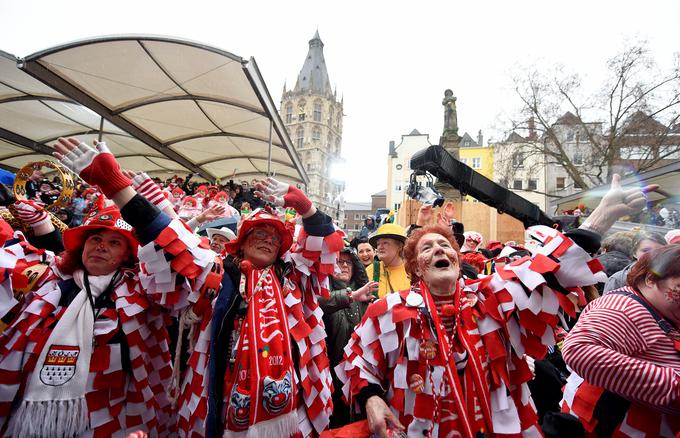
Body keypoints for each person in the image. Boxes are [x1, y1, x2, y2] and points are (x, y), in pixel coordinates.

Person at [335, 173, 653, 437]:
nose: (438, 249)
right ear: (416, 267)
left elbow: (551, 269)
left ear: (458, 262)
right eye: (427, 247)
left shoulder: (491, 297)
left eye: (445, 245)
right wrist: (372, 399)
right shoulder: (388, 310)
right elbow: (358, 362)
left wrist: (603, 215)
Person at [0, 137, 217, 436]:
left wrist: (118, 188)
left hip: (118, 424)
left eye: (114, 242)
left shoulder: (143, 289)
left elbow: (193, 263)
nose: (101, 247)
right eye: (95, 239)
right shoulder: (50, 280)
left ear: (129, 254)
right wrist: (36, 223)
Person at [176, 178, 343, 437]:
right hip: (224, 394)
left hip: (288, 403)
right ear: (241, 243)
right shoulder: (217, 271)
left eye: (275, 239)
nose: (268, 241)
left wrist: (304, 205)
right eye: (260, 234)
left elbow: (324, 243)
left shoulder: (292, 277)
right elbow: (172, 247)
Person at [561, 244, 680, 436]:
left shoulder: (662, 310)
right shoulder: (623, 306)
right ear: (651, 279)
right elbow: (579, 350)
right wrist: (673, 386)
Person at [318, 245, 377, 428]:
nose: (343, 266)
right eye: (338, 262)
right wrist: (351, 296)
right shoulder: (321, 292)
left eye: (348, 262)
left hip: (359, 376)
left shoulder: (368, 297)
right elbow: (318, 304)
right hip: (329, 375)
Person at [365, 223, 410, 298]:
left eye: (385, 243)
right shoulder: (370, 270)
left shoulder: (411, 270)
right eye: (378, 244)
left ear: (400, 246)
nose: (380, 247)